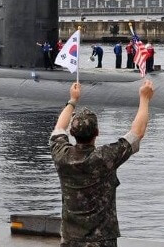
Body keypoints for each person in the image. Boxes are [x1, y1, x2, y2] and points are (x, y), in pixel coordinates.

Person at [50, 80, 154, 246]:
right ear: (97, 132)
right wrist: (144, 98)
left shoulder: (62, 155)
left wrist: (72, 100)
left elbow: (58, 129)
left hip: (70, 239)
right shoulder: (104, 157)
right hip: (101, 241)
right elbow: (137, 133)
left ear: (72, 133)